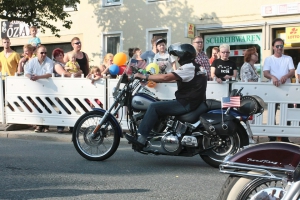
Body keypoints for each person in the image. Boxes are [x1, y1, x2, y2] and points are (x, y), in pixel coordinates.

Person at [124, 43, 207, 149]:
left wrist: (144, 76)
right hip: (193, 101)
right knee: (160, 102)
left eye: (179, 56)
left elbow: (166, 77)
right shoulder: (197, 67)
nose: (177, 58)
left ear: (185, 56)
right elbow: (177, 78)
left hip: (186, 103)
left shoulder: (188, 67)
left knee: (154, 106)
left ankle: (141, 138)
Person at [263, 38, 295, 142]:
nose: (279, 48)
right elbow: (265, 72)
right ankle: (272, 136)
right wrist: (273, 77)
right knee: (272, 112)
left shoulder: (288, 58)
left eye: (281, 46)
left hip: (286, 89)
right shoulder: (269, 59)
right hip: (273, 88)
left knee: (288, 112)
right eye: (277, 46)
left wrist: (286, 76)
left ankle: (285, 136)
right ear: (273, 47)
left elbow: (292, 71)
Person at [25, 45, 53, 133]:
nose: (44, 54)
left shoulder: (49, 61)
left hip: (48, 87)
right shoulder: (32, 61)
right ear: (37, 53)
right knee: (38, 106)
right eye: (42, 52)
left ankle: (46, 126)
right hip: (37, 87)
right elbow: (27, 72)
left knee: (47, 106)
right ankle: (39, 125)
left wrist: (38, 77)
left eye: (45, 52)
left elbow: (49, 74)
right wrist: (31, 77)